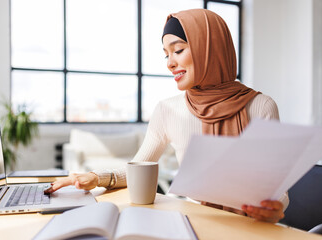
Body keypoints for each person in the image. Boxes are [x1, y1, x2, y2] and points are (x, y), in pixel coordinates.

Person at [45, 9, 287, 223]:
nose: (170, 63)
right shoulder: (168, 110)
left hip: (251, 228)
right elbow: (137, 169)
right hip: (195, 223)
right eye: (166, 54)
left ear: (209, 49)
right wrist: (96, 177)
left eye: (178, 50)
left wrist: (274, 208)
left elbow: (277, 190)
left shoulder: (261, 106)